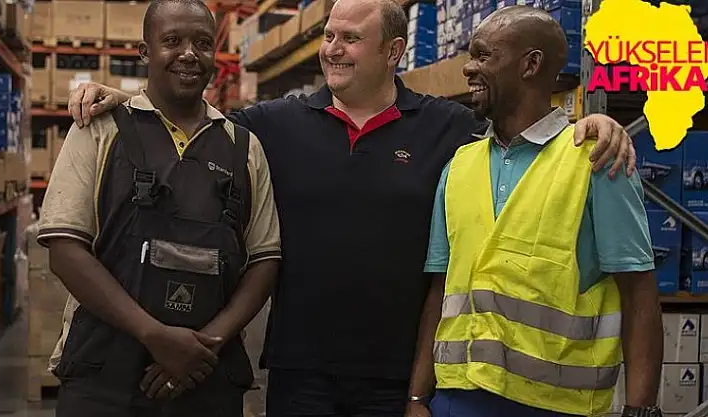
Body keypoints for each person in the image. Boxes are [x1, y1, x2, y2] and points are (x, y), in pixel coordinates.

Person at [65, 0, 640, 415]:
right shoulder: (276, 124)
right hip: (299, 371)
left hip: (396, 376)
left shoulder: (447, 128)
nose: (332, 49)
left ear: (394, 51)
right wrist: (128, 100)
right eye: (329, 36)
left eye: (350, 38)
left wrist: (594, 122)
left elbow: (518, 134)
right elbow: (191, 117)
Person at [408, 6, 664, 417]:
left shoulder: (596, 161)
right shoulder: (458, 167)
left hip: (557, 406)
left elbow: (639, 294)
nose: (469, 68)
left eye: (483, 55)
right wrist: (418, 398)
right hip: (458, 400)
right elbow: (441, 290)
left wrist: (641, 410)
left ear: (530, 64)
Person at [36, 0, 281, 415]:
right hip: (104, 380)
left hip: (207, 378)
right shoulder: (99, 129)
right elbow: (64, 250)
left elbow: (264, 259)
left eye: (202, 43)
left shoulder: (243, 147)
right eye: (172, 41)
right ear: (145, 51)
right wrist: (156, 336)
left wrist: (204, 346)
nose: (189, 53)